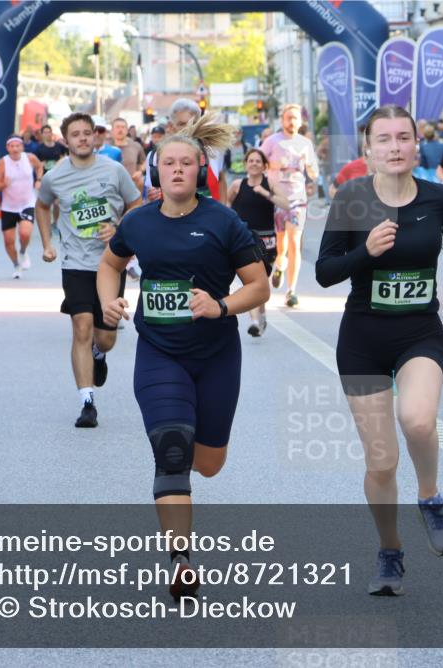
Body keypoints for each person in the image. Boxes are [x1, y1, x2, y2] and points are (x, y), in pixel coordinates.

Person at [97, 113, 270, 600]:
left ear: (199, 170)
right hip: (159, 352)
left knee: (209, 463)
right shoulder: (139, 222)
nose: (176, 170)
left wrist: (222, 305)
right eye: (168, 163)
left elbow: (259, 285)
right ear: (156, 170)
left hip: (216, 354)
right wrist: (108, 301)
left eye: (186, 163)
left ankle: (183, 471)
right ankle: (181, 559)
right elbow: (111, 263)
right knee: (172, 449)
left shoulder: (223, 220)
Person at [315, 104, 443, 596]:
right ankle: (390, 551)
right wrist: (367, 252)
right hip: (363, 339)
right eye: (383, 139)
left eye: (403, 138)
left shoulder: (439, 197)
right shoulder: (351, 199)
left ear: (416, 142)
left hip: (418, 333)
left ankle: (430, 497)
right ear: (368, 149)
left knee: (418, 420)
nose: (394, 147)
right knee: (381, 463)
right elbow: (325, 272)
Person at [36, 113, 141, 428]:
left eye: (87, 133)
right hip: (75, 263)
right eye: (75, 134)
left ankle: (99, 354)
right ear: (65, 140)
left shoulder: (114, 170)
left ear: (95, 138)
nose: (82, 138)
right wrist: (47, 243)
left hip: (111, 263)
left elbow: (135, 205)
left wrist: (120, 228)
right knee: (81, 326)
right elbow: (42, 205)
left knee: (105, 337)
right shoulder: (55, 176)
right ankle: (87, 401)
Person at [227, 147, 290, 336]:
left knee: (261, 282)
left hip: (267, 241)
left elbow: (286, 204)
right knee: (252, 282)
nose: (254, 164)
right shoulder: (237, 185)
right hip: (245, 239)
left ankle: (261, 315)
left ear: (264, 166)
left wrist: (265, 193)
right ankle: (254, 321)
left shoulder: (270, 183)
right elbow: (227, 206)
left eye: (257, 161)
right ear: (245, 164)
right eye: (251, 160)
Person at [261, 103, 319, 307]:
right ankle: (279, 265)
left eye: (295, 118)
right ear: (282, 120)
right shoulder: (272, 141)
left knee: (294, 243)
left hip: (297, 200)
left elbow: (314, 173)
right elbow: (257, 162)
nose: (292, 121)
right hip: (277, 199)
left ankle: (291, 291)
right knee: (281, 245)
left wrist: (309, 166)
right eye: (289, 118)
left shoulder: (305, 144)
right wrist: (272, 167)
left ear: (300, 121)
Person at [146, 99, 228, 205]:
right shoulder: (156, 156)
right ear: (171, 126)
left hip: (210, 219)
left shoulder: (213, 152)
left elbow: (221, 179)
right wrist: (153, 194)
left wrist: (224, 211)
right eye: (182, 124)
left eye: (193, 123)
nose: (189, 128)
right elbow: (152, 192)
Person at [0, 134, 43, 278]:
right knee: (8, 241)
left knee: (25, 233)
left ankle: (23, 251)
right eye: (11, 146)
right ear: (7, 148)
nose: (15, 149)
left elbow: (40, 167)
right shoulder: (3, 162)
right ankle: (16, 265)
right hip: (8, 207)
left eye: (17, 146)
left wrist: (39, 180)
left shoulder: (30, 158)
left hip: (27, 203)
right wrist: (4, 184)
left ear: (22, 147)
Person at [110, 117, 146, 187]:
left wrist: (140, 171)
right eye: (117, 127)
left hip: (132, 188)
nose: (120, 130)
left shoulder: (136, 146)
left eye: (123, 127)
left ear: (127, 130)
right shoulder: (107, 147)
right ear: (112, 130)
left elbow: (145, 162)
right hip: (112, 188)